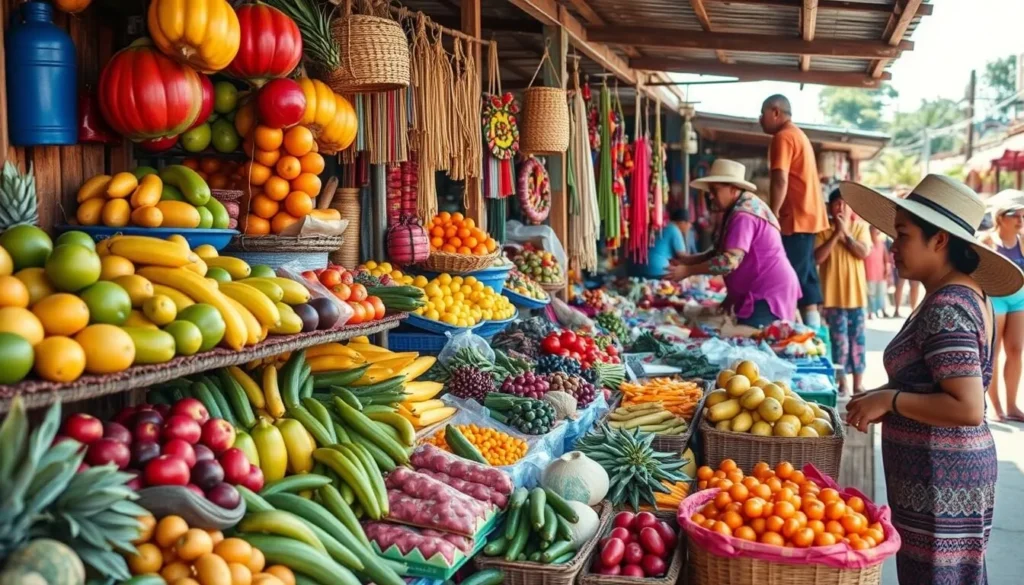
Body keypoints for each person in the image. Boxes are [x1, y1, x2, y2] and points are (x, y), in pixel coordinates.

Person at [843, 175, 1024, 585]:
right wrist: (881, 394)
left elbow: (967, 406)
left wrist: (890, 402)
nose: (892, 246)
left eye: (903, 235)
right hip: (937, 476)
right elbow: (931, 380)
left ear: (939, 240)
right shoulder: (955, 293)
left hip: (944, 478)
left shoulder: (948, 307)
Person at [666, 159, 801, 327]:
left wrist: (688, 270)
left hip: (767, 292)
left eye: (715, 190)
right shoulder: (737, 209)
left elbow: (728, 262)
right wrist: (688, 261)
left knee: (755, 342)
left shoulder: (744, 215)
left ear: (733, 189)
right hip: (766, 289)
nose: (710, 196)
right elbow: (718, 253)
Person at [760, 94, 828, 327]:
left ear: (775, 112)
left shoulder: (783, 136)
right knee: (806, 278)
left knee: (787, 279)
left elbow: (780, 179)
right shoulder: (798, 134)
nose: (760, 119)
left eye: (763, 113)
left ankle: (794, 337)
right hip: (808, 217)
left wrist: (773, 213)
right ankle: (812, 334)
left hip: (795, 218)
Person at [814, 189, 872, 395]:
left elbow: (863, 252)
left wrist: (845, 234)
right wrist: (836, 234)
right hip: (832, 298)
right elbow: (817, 258)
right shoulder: (823, 230)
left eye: (845, 204)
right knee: (838, 343)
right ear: (829, 207)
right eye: (837, 203)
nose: (841, 208)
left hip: (856, 297)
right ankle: (843, 384)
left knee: (858, 342)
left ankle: (858, 384)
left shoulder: (859, 228)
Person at [981, 200, 1024, 421]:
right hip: (995, 299)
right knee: (994, 353)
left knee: (1016, 350)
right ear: (1000, 218)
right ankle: (996, 407)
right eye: (1014, 214)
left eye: (1022, 215)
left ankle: (1012, 405)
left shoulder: (1023, 240)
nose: (1020, 219)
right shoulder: (987, 241)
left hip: (1019, 299)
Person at [633, 208, 693, 279]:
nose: (690, 226)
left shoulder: (664, 225)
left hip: (639, 267)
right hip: (658, 269)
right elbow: (683, 256)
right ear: (682, 222)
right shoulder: (674, 229)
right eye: (689, 223)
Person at [865, 225, 891, 319]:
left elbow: (886, 258)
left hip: (880, 274)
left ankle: (882, 310)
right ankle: (871, 312)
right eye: (875, 231)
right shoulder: (867, 244)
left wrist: (887, 270)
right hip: (869, 274)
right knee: (870, 294)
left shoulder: (881, 244)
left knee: (881, 293)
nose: (877, 233)